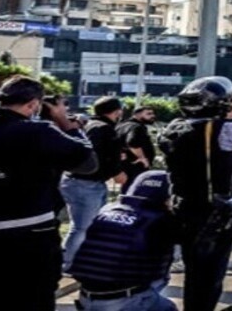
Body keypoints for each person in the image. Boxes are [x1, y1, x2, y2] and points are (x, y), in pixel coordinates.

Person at [0, 76, 97, 311]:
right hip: (27, 233)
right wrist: (65, 122)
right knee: (29, 300)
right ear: (33, 104)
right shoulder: (38, 132)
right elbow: (88, 163)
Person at [160, 77, 232, 311]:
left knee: (194, 271)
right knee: (210, 275)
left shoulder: (174, 128)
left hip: (184, 208)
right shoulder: (224, 129)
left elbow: (208, 125)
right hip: (216, 214)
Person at [67, 170, 179, 311]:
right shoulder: (160, 220)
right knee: (167, 306)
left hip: (85, 297)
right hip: (124, 301)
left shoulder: (106, 210)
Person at [63, 96, 128, 267]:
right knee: (82, 227)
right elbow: (97, 155)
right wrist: (116, 171)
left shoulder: (90, 125)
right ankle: (68, 263)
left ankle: (78, 261)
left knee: (86, 226)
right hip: (87, 183)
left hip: (79, 181)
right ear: (117, 112)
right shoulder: (105, 129)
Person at [118, 105, 159, 188]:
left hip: (124, 164)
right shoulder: (136, 127)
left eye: (152, 113)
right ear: (137, 115)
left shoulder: (122, 125)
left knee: (127, 189)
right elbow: (132, 142)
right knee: (136, 189)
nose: (153, 116)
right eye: (148, 114)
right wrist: (142, 158)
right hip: (136, 166)